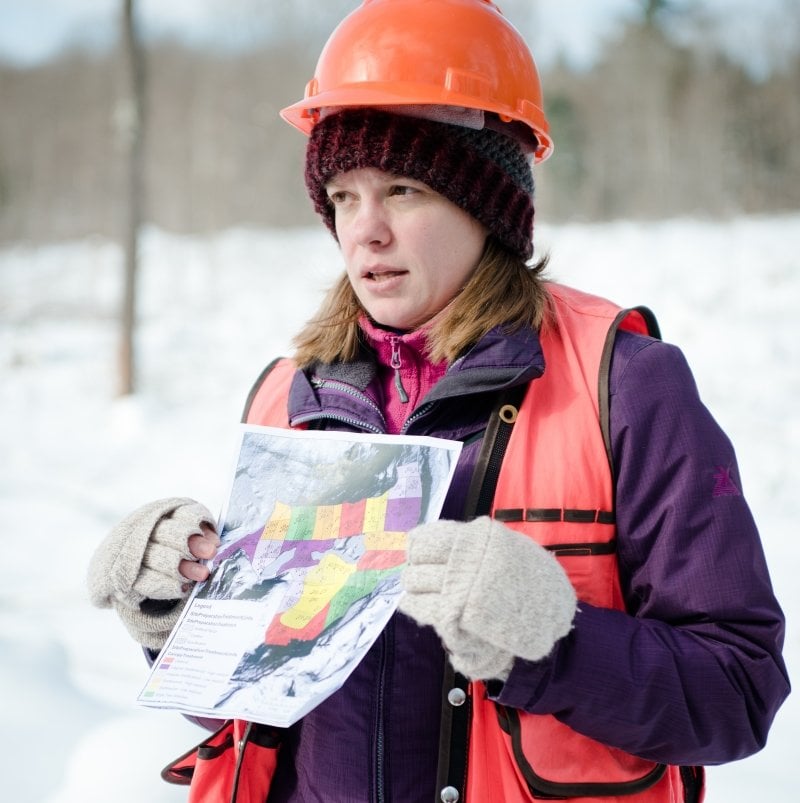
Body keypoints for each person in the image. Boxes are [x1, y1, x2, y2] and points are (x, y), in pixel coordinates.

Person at [87, 1, 789, 801]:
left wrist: (553, 640)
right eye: (344, 196)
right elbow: (261, 700)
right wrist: (176, 613)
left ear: (487, 203)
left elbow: (738, 690)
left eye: (404, 188)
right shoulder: (292, 395)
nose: (366, 231)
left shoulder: (624, 384)